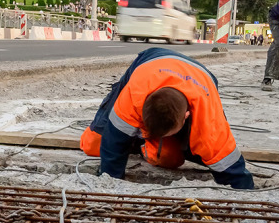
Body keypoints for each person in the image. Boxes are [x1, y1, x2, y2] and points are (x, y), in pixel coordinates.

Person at [79, 46, 253, 189]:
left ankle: (142, 146)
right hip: (150, 61)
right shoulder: (133, 97)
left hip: (202, 76)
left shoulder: (208, 119)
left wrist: (245, 189)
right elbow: (112, 146)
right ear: (141, 108)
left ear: (187, 117)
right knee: (91, 144)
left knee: (169, 158)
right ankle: (137, 141)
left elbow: (230, 166)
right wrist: (111, 180)